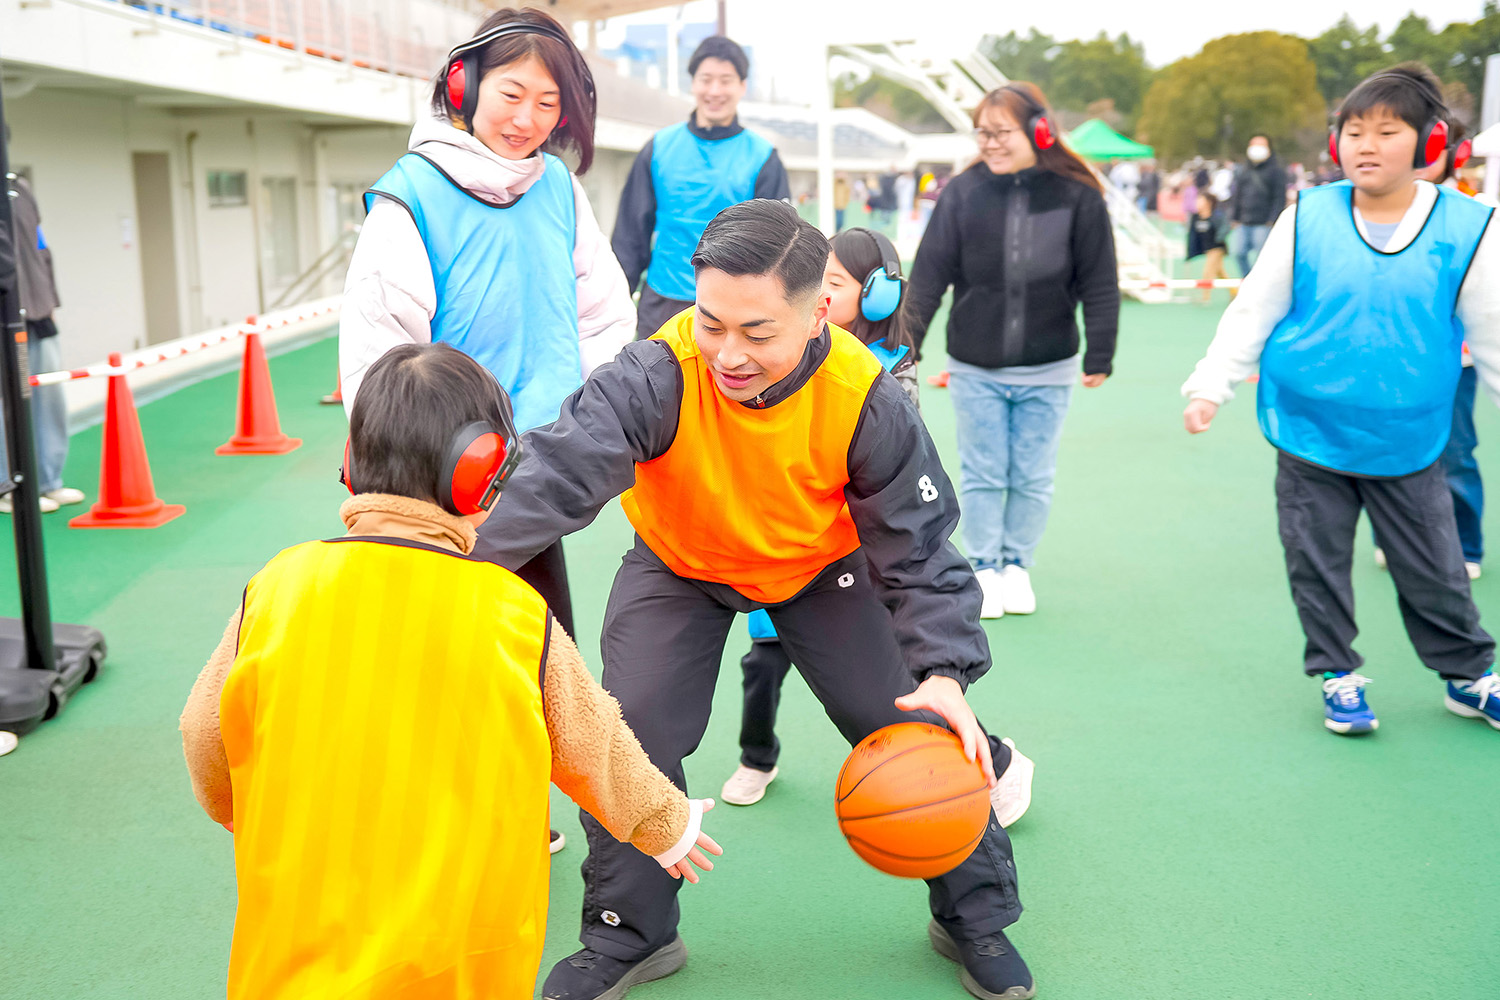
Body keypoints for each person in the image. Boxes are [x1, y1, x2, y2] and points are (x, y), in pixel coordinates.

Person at [474, 200, 1034, 1000]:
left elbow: (919, 546)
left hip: (821, 568)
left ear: (818, 316)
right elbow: (554, 477)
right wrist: (447, 568)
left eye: (757, 332)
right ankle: (629, 937)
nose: (727, 354)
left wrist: (944, 669)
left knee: (919, 723)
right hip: (680, 562)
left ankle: (975, 919)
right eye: (712, 324)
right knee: (625, 733)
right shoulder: (657, 372)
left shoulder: (864, 395)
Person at [179, 343, 722, 1000]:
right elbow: (593, 738)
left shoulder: (276, 587)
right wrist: (665, 822)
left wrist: (241, 809)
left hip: (294, 955)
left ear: (351, 464)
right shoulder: (512, 610)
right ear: (485, 474)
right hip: (459, 962)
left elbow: (202, 730)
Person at [1181, 64, 1500, 737]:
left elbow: (1493, 334)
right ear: (1336, 143)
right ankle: (1338, 675)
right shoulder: (1306, 217)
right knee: (1316, 563)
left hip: (1407, 441)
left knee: (1437, 568)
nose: (1367, 144)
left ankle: (1468, 676)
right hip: (1307, 432)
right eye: (1354, 130)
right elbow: (1254, 313)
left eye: (1388, 131)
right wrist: (1211, 385)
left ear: (1430, 141)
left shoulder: (1469, 229)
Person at [339, 5, 633, 649]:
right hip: (442, 482)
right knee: (447, 660)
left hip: (540, 467)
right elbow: (377, 356)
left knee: (541, 659)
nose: (527, 120)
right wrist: (414, 473)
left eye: (548, 103)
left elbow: (605, 314)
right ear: (462, 86)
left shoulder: (557, 187)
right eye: (512, 93)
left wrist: (576, 423)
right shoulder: (409, 195)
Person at [907, 82, 1120, 619]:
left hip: (1050, 365)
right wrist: (906, 347)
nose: (990, 143)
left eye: (1001, 132)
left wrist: (1101, 353)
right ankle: (984, 565)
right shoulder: (961, 193)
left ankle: (1017, 564)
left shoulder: (1078, 196)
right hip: (975, 364)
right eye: (982, 133)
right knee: (982, 470)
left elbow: (1099, 280)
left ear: (1039, 132)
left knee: (1030, 472)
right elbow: (930, 274)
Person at [1373, 108, 1497, 581]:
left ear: (1454, 153)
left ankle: (1466, 546)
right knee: (1386, 449)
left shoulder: (1477, 211)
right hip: (1390, 356)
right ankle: (1391, 536)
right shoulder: (1377, 207)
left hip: (1455, 362)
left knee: (1456, 453)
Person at [611, 35, 790, 341]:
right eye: (706, 80)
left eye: (726, 80)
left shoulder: (762, 157)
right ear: (692, 83)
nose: (715, 91)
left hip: (734, 310)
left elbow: (780, 249)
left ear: (742, 86)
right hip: (661, 303)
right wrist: (613, 307)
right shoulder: (658, 148)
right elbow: (629, 238)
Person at [0, 169, 85, 515]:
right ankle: (8, 486)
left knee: (48, 397)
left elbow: (40, 246)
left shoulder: (19, 188)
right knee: (6, 402)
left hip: (37, 310)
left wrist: (50, 300)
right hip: (5, 316)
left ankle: (50, 480)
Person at [1229, 136, 1288, 276]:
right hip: (1243, 221)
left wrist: (1272, 219)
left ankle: (1260, 283)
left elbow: (1279, 197)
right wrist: (1235, 216)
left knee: (1262, 257)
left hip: (1263, 222)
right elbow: (1237, 194)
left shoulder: (1276, 171)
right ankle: (1249, 279)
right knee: (1237, 253)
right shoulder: (1243, 170)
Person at [1185, 191, 1230, 304]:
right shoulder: (1196, 217)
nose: (1197, 203)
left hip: (1217, 248)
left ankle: (1205, 297)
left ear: (1208, 202)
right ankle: (1236, 291)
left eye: (1200, 200)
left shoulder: (1217, 216)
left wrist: (1218, 238)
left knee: (1208, 272)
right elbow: (1193, 235)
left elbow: (1225, 227)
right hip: (1206, 249)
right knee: (1220, 273)